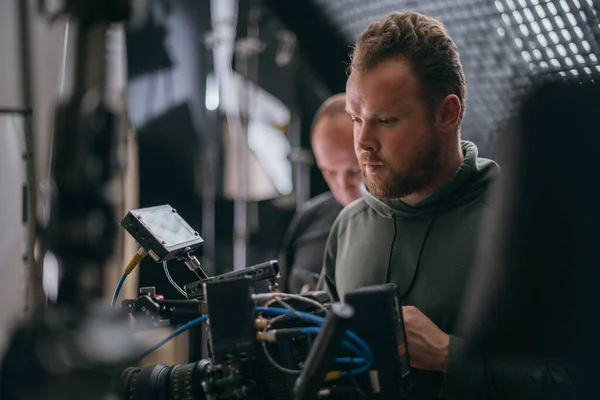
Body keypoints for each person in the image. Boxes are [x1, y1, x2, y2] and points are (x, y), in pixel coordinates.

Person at [321, 12, 574, 399]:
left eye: (385, 120)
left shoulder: (524, 224)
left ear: (447, 114)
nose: (363, 142)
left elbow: (574, 380)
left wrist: (448, 355)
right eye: (357, 119)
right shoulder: (349, 225)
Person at [279, 93, 361, 294]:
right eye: (330, 172)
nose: (342, 185)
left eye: (355, 170)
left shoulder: (396, 227)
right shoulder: (309, 220)